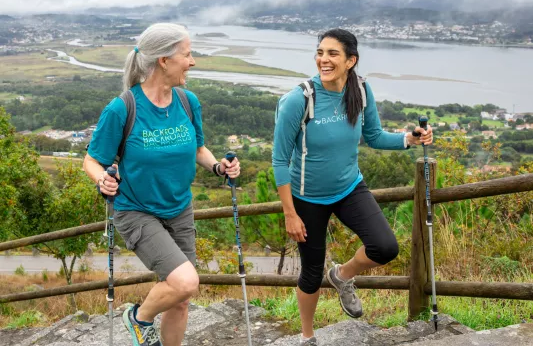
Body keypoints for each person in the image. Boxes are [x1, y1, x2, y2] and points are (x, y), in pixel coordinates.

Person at [272, 28, 433, 346]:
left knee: (385, 247)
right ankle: (307, 337)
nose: (323, 59)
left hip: (349, 187)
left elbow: (373, 136)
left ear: (351, 60)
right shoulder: (299, 99)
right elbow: (279, 161)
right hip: (307, 197)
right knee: (311, 271)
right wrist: (290, 213)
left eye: (332, 53)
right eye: (320, 52)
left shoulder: (360, 88)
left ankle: (343, 275)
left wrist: (408, 139)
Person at [83, 23, 240, 346]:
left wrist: (217, 166)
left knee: (180, 298)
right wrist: (102, 179)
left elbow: (198, 147)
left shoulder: (187, 101)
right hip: (137, 211)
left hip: (180, 208)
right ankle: (138, 317)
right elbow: (91, 160)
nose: (192, 61)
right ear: (164, 61)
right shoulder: (123, 108)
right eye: (187, 54)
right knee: (184, 283)